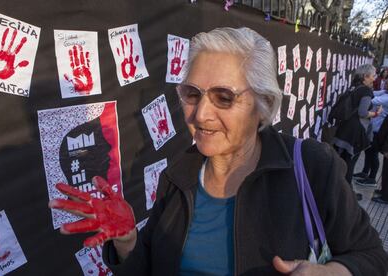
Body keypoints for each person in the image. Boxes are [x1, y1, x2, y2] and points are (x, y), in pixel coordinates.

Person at [49, 27, 388, 275]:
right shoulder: (178, 175)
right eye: (192, 94)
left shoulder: (313, 166)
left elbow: (372, 257)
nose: (200, 114)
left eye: (224, 97)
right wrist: (127, 242)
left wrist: (333, 273)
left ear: (264, 104)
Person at [332, 64, 382, 200]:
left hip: (344, 130)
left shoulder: (353, 87)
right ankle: (347, 196)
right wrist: (376, 113)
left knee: (342, 162)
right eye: (373, 75)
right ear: (366, 76)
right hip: (355, 133)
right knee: (350, 163)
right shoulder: (366, 91)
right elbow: (362, 112)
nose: (374, 78)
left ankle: (337, 190)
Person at [354, 81, 388, 186]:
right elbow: (375, 92)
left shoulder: (386, 98)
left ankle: (372, 178)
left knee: (373, 154)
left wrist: (364, 94)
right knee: (368, 152)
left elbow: (372, 99)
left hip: (378, 130)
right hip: (374, 128)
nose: (385, 83)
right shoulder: (385, 93)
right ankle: (365, 172)